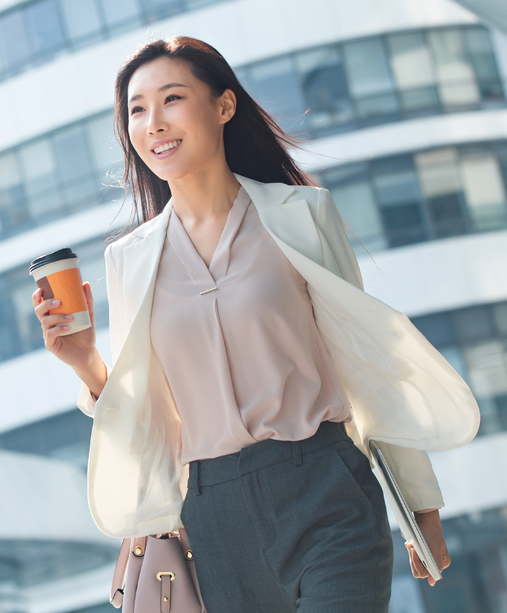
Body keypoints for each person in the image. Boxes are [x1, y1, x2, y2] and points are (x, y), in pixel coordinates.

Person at [31, 37, 480, 612]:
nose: (154, 123)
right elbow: (147, 414)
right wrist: (84, 362)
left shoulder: (302, 216)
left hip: (325, 489)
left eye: (172, 99)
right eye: (137, 110)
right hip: (213, 520)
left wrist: (421, 506)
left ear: (223, 106)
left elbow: (371, 362)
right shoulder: (129, 261)